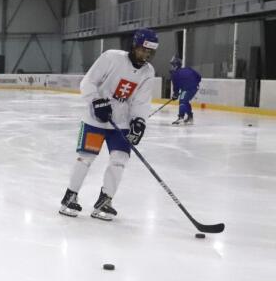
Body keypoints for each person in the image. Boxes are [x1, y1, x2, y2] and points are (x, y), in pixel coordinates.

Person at [59, 28, 158, 221]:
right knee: (86, 157)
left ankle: (105, 200)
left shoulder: (148, 72)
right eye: (143, 50)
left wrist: (139, 121)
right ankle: (70, 196)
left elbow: (141, 102)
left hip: (120, 124)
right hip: (95, 120)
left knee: (119, 161)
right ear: (134, 46)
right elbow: (88, 82)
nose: (145, 55)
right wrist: (96, 101)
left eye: (150, 52)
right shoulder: (111, 58)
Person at [169, 57, 201, 125]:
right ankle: (190, 117)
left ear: (176, 65)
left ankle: (181, 117)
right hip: (195, 87)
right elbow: (199, 76)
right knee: (185, 101)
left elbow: (176, 87)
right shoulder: (188, 69)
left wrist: (175, 95)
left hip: (188, 89)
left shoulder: (174, 74)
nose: (171, 67)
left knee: (182, 101)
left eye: (172, 65)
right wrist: (195, 83)